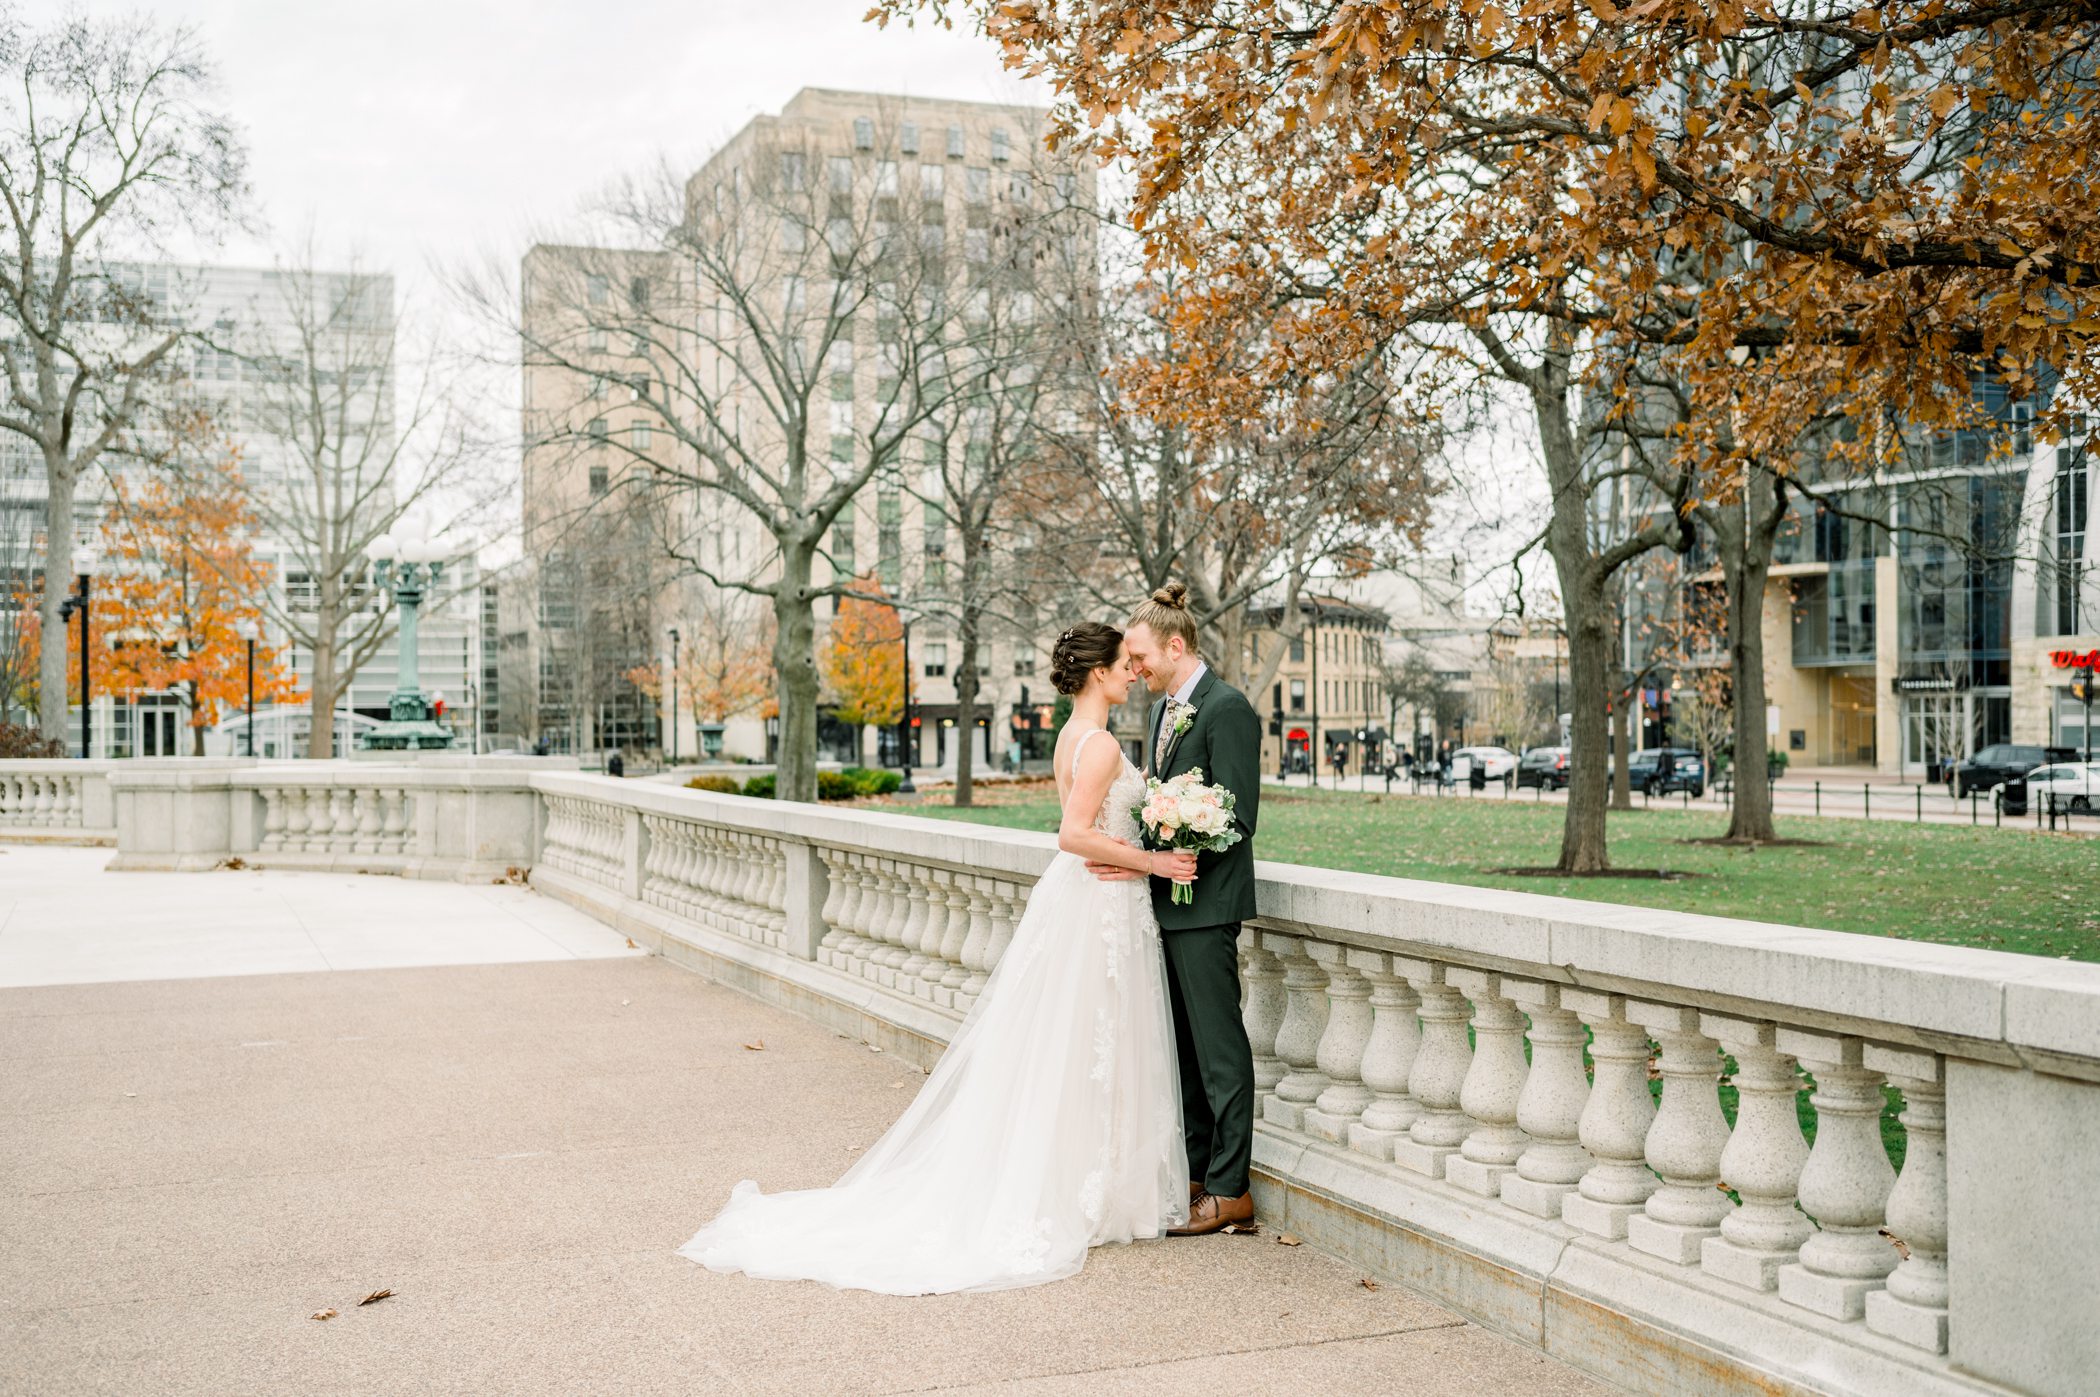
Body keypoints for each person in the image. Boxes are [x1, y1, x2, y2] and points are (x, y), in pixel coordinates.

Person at [679, 620, 1193, 1293]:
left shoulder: (1074, 736)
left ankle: (1087, 1185)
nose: (1133, 672)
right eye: (1124, 663)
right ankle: (1087, 1191)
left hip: (1089, 903)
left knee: (1075, 1049)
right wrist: (1152, 859)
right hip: (1099, 906)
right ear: (1097, 671)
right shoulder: (1097, 746)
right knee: (1087, 1046)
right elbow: (1074, 833)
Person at [1108, 583, 1261, 1236]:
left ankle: (1231, 1188)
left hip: (1207, 904)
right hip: (1164, 904)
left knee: (1220, 1054)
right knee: (1186, 1057)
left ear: (1176, 645)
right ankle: (1197, 1173)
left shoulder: (1228, 708)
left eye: (1140, 656)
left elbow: (1236, 813)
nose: (1135, 669)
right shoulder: (1162, 712)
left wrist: (1171, 829)